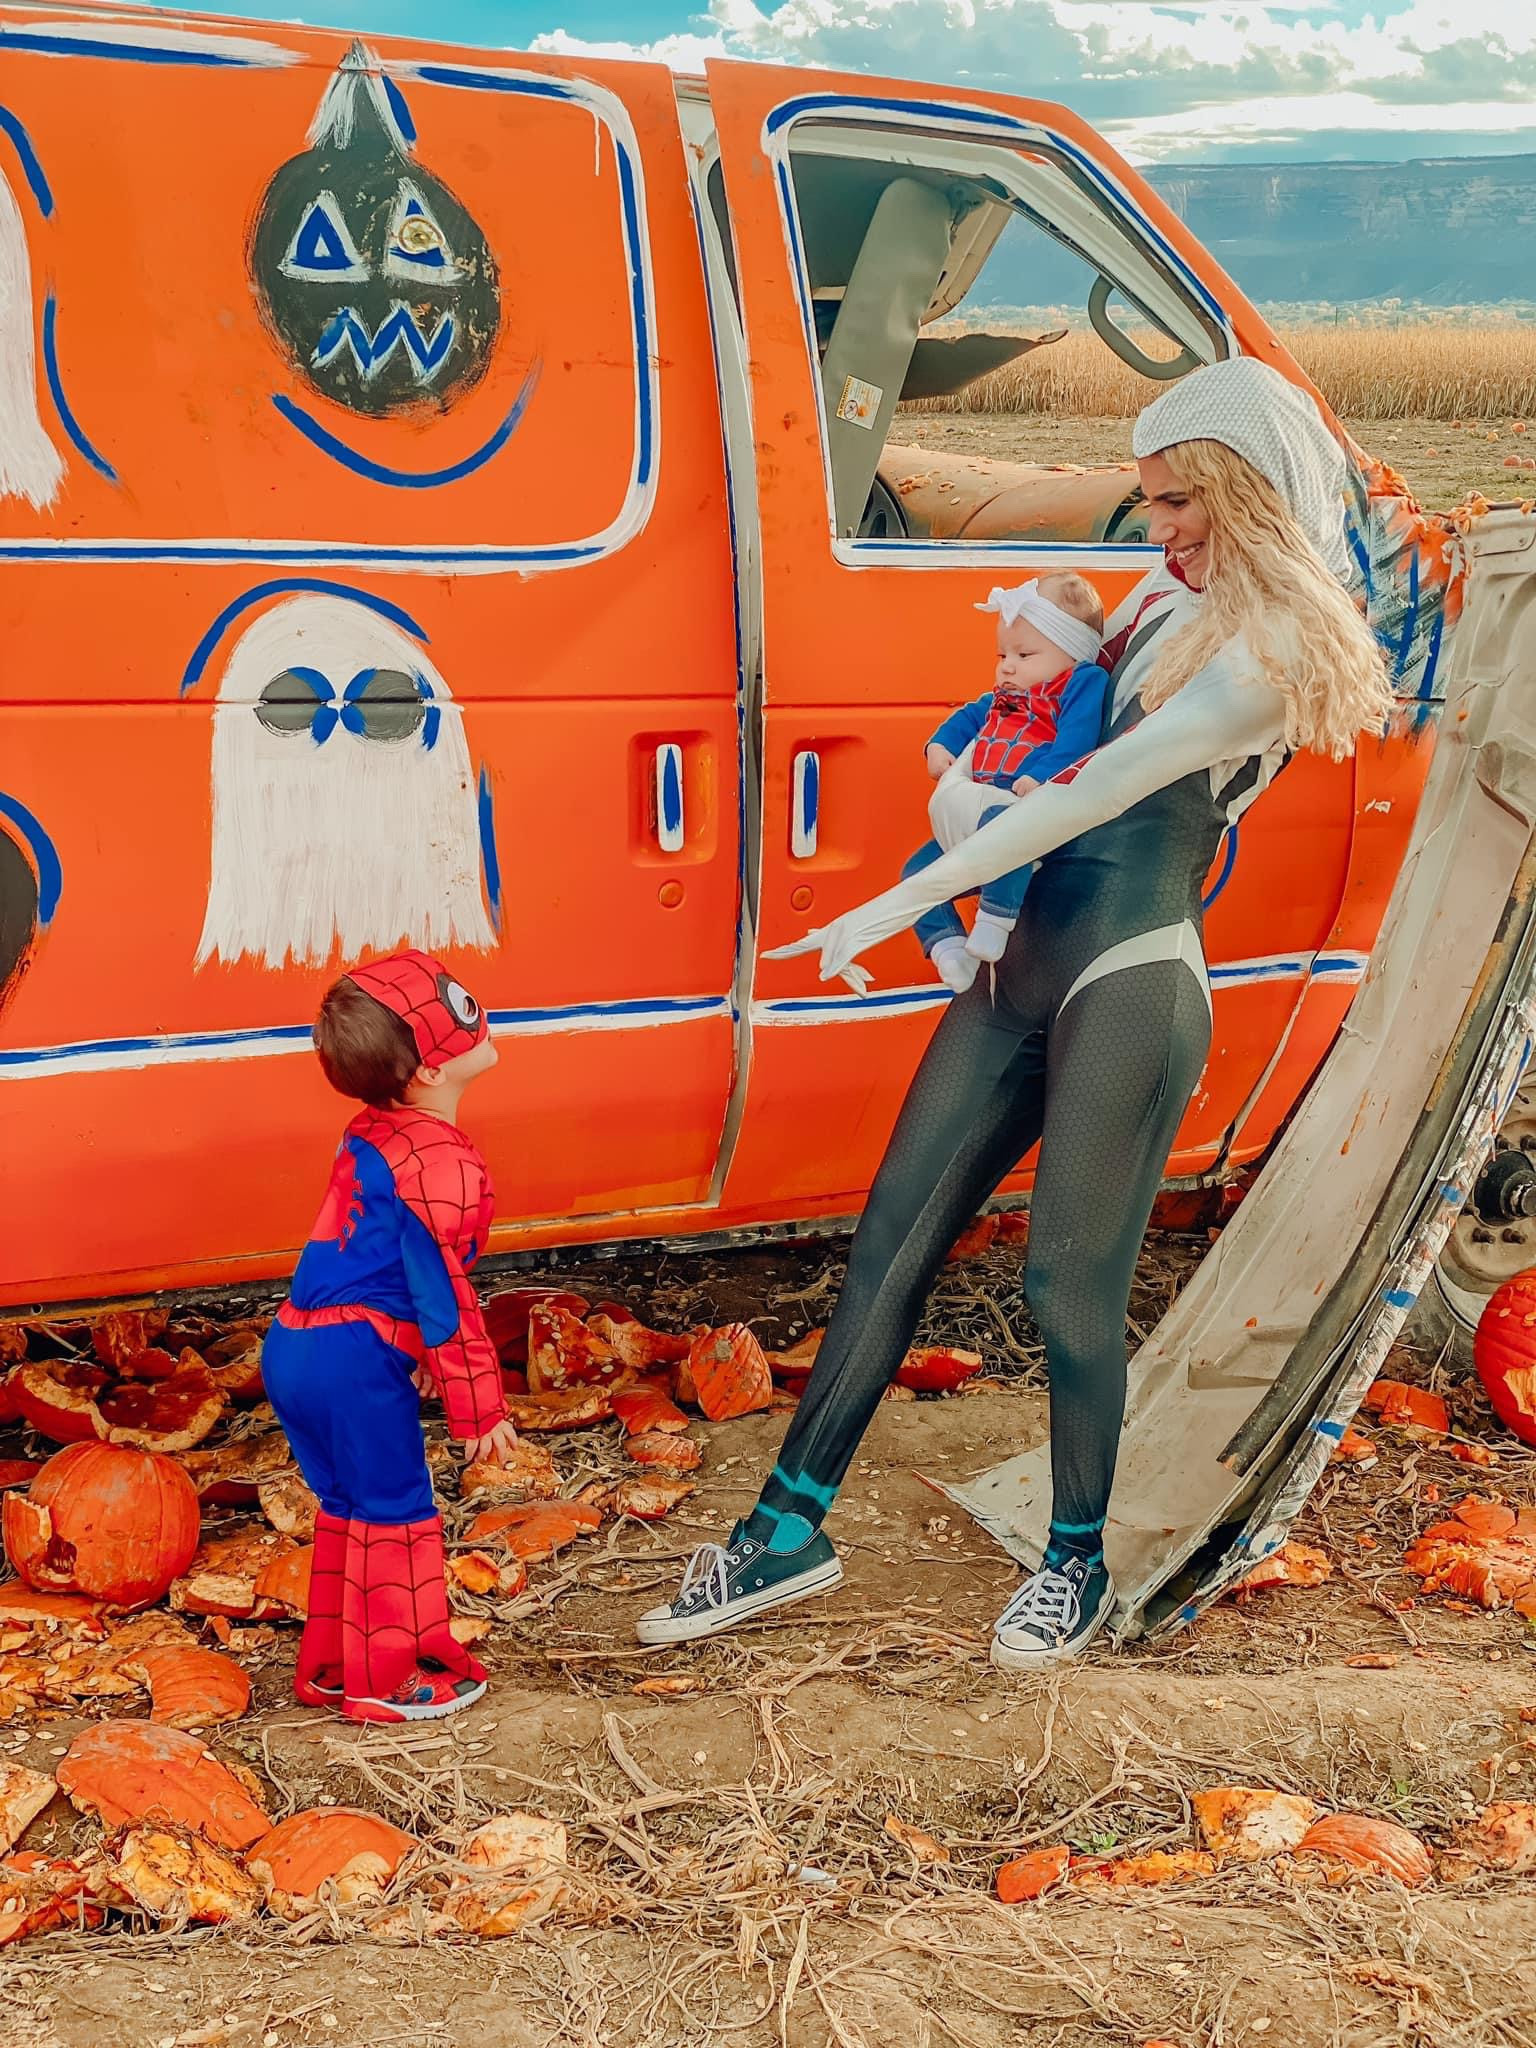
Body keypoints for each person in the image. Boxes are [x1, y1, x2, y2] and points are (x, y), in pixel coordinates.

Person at [637, 357, 1394, 1668]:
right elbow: (1035, 702)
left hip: (1130, 982)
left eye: (1176, 504)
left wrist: (894, 905)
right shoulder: (1170, 592)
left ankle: (1076, 1562)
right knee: (889, 1244)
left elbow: (1082, 796)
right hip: (1013, 972)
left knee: (1064, 1283)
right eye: (1152, 501)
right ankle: (785, 1531)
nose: (1153, 529)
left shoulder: (1266, 658)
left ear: (1243, 493)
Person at [262, 948, 518, 1723]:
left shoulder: (370, 1129)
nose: (481, 1015)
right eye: (461, 1012)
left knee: (350, 1509)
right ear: (430, 1074)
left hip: (297, 1344)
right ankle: (387, 1682)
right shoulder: (438, 1158)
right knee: (398, 1513)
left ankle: (336, 1666)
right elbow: (439, 1287)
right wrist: (478, 1408)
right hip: (354, 1357)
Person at [904, 573, 1109, 992]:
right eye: (1002, 654)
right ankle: (947, 947)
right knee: (916, 872)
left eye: (1024, 653)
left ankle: (994, 922)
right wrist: (939, 746)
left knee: (1007, 835)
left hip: (1020, 805)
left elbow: (1078, 739)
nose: (1007, 666)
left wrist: (1042, 777)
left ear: (1072, 652)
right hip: (974, 807)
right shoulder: (1002, 696)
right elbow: (965, 719)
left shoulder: (1082, 683)